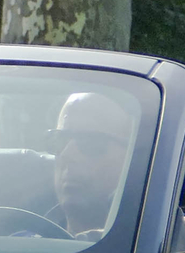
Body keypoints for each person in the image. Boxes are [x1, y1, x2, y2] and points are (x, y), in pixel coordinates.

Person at [41, 92, 134, 238]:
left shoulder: (161, 244)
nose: (67, 154)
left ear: (133, 156)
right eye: (61, 139)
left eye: (91, 141)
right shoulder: (24, 244)